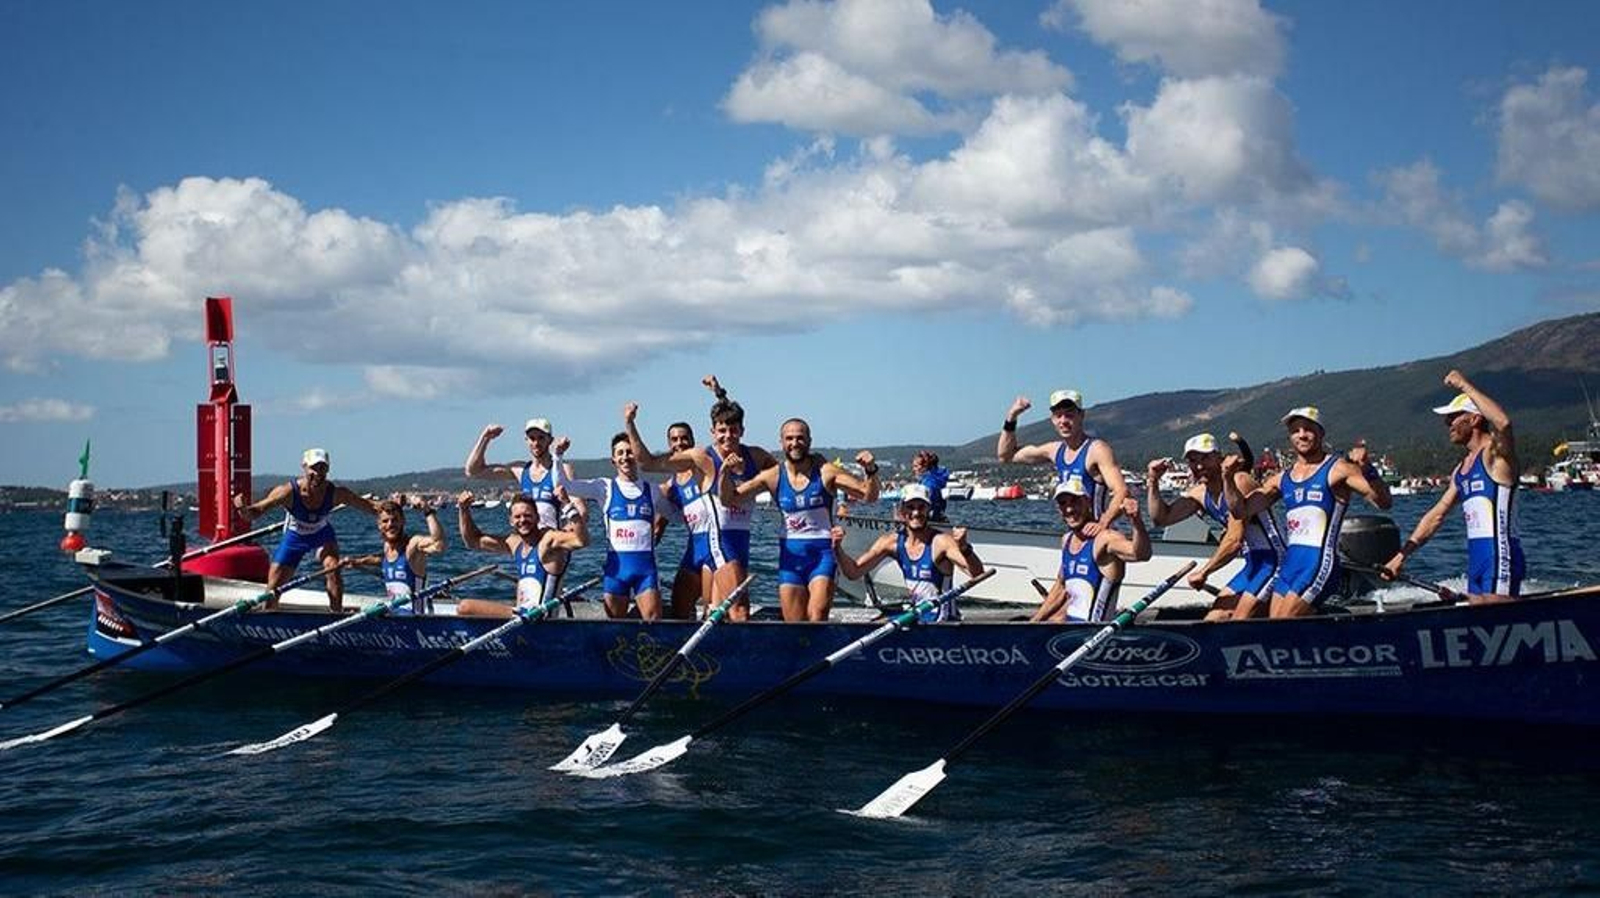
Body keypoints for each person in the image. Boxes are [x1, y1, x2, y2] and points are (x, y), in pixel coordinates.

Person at [624, 376, 779, 621]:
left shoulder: (757, 457)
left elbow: (785, 479)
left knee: (720, 611)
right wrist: (630, 425)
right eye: (721, 431)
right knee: (730, 611)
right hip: (715, 543)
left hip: (739, 541)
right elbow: (647, 463)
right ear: (712, 432)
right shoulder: (702, 458)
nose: (727, 436)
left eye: (733, 430)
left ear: (742, 431)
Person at [1225, 407, 1393, 618]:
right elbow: (1240, 510)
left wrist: (1368, 469)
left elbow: (1384, 502)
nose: (1302, 434)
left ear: (1321, 433)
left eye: (1308, 429)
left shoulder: (1338, 469)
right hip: (1291, 565)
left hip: (1318, 563)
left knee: (1282, 624)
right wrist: (1227, 479)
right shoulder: (1282, 478)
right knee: (1272, 624)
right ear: (1290, 437)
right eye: (1296, 430)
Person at [1380, 370, 1523, 601]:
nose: (1447, 423)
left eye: (1453, 417)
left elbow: (1504, 424)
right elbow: (1435, 516)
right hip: (1476, 560)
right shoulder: (1461, 470)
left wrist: (1464, 385)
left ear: (1475, 419)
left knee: (1495, 625)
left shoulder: (1496, 457)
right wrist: (1401, 556)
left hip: (1500, 557)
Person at [720, 418, 879, 621]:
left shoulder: (826, 472)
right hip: (790, 559)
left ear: (809, 441)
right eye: (790, 438)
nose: (795, 443)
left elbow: (869, 495)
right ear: (781, 442)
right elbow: (729, 499)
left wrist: (871, 470)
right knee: (794, 625)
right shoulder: (773, 476)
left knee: (816, 616)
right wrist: (725, 474)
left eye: (800, 438)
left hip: (822, 555)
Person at [1146, 433, 1284, 621]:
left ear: (1219, 458)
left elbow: (1234, 541)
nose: (1200, 466)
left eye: (1205, 458)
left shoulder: (1239, 481)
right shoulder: (1200, 493)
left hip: (1276, 561)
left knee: (1239, 620)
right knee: (1214, 618)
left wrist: (1204, 572)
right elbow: (1161, 518)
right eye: (1194, 461)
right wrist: (1153, 481)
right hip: (1253, 564)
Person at [233, 448, 379, 611]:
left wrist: (393, 507)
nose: (318, 473)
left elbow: (372, 508)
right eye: (314, 468)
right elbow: (255, 513)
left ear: (328, 469)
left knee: (333, 568)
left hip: (321, 534)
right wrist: (242, 509)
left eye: (322, 468)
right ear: (304, 467)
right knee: (275, 584)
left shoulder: (337, 493)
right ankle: (268, 615)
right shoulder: (287, 492)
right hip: (295, 537)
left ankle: (336, 615)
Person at [553, 433, 673, 621]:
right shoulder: (604, 487)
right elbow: (563, 485)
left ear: (637, 456)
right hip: (616, 572)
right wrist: (557, 456)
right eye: (620, 453)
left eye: (630, 452)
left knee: (653, 622)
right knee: (616, 628)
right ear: (614, 460)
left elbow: (677, 516)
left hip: (646, 571)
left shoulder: (653, 490)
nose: (626, 457)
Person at [830, 484, 983, 622]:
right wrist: (837, 548)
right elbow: (853, 572)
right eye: (910, 507)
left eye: (921, 507)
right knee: (876, 623)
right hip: (918, 616)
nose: (916, 513)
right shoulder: (891, 542)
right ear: (902, 511)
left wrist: (964, 548)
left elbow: (977, 574)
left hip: (941, 621)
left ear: (929, 510)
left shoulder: (941, 542)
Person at [998, 389, 1129, 536]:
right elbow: (1005, 455)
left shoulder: (1097, 450)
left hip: (1099, 536)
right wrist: (1012, 416)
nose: (1063, 421)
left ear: (1081, 415)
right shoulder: (1054, 450)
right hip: (1075, 536)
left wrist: (1103, 523)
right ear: (1053, 419)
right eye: (1058, 415)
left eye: (1069, 415)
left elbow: (1121, 491)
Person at [1032, 477, 1151, 622]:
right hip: (1068, 628)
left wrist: (1136, 522)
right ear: (1059, 509)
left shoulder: (1106, 539)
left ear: (1087, 502)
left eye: (1075, 501)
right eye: (1063, 503)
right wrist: (1033, 623)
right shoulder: (1066, 540)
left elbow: (1141, 554)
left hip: (1095, 633)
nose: (1069, 509)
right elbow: (1060, 588)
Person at [455, 492, 588, 617]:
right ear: (511, 521)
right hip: (520, 617)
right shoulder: (514, 543)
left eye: (528, 515)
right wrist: (463, 509)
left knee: (465, 607)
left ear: (537, 518)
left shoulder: (548, 540)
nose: (522, 520)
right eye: (517, 517)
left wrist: (567, 505)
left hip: (540, 619)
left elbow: (580, 540)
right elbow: (473, 541)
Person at [463, 417, 583, 530]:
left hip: (554, 545)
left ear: (550, 440)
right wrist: (485, 438)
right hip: (529, 545)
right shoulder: (520, 470)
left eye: (541, 438)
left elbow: (581, 512)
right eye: (532, 438)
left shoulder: (563, 470)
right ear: (526, 440)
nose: (536, 443)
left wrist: (560, 539)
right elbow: (473, 471)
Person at [343, 494, 448, 615]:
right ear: (379, 525)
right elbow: (382, 563)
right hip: (394, 616)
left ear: (403, 521)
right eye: (385, 521)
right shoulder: (387, 547)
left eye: (395, 520)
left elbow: (439, 545)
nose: (390, 525)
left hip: (414, 621)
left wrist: (427, 511)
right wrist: (356, 563)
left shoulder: (413, 546)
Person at [658, 419, 714, 619]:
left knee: (711, 610)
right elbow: (658, 525)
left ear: (692, 441)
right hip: (693, 550)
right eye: (674, 439)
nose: (679, 443)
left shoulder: (705, 468)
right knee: (678, 608)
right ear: (669, 444)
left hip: (715, 549)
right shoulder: (671, 486)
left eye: (684, 439)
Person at [910, 451, 951, 522]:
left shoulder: (929, 483)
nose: (914, 469)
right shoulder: (936, 480)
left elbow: (929, 503)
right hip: (938, 517)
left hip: (931, 520)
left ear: (925, 467)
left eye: (916, 466)